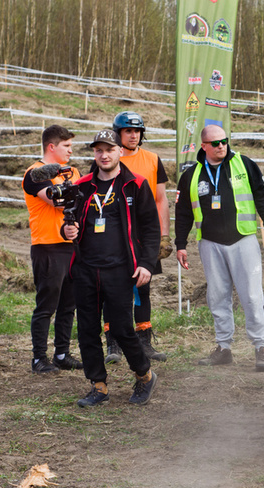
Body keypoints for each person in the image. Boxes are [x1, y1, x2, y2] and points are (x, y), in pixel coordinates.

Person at [61, 129, 160, 407]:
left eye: (109, 150)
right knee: (88, 329)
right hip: (85, 268)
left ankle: (144, 375)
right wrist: (67, 230)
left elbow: (152, 229)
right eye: (98, 150)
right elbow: (69, 222)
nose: (104, 155)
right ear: (94, 153)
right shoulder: (81, 186)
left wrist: (146, 264)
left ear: (120, 151)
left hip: (120, 270)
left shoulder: (135, 184)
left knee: (121, 328)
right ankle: (99, 385)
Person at [174, 125, 264, 370]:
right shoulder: (191, 174)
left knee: (252, 295)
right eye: (215, 143)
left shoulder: (244, 163)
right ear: (204, 146)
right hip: (209, 242)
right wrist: (180, 244)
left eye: (224, 141)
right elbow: (183, 212)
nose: (221, 146)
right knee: (217, 296)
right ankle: (224, 347)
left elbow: (263, 195)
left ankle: (261, 347)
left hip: (243, 239)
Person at [100, 111, 173, 364]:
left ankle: (144, 341)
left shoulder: (153, 159)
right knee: (111, 289)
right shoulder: (108, 159)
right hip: (113, 235)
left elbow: (160, 199)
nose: (133, 135)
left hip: (144, 236)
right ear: (118, 133)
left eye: (137, 131)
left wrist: (164, 235)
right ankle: (113, 343)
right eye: (128, 131)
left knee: (143, 288)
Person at [22, 125, 83, 374]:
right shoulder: (34, 174)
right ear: (52, 146)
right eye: (66, 146)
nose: (70, 151)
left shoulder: (74, 171)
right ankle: (39, 358)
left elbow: (82, 201)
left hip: (73, 246)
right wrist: (75, 190)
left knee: (69, 304)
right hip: (47, 247)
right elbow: (57, 200)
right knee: (46, 305)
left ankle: (61, 354)